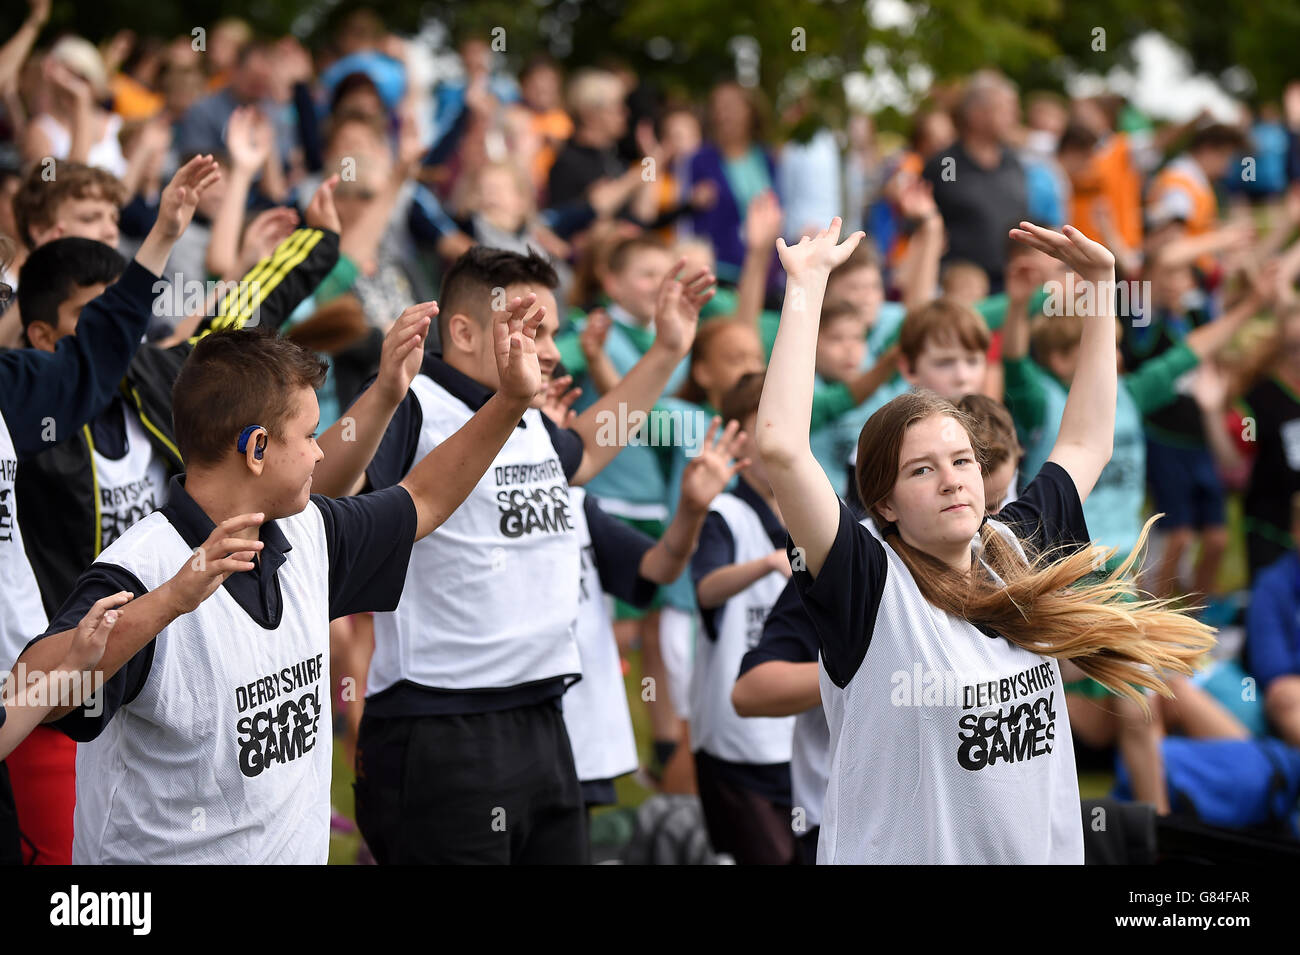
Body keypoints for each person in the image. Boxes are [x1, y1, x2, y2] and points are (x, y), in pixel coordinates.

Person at [12, 292, 553, 864]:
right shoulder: (140, 567)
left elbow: (424, 499)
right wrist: (170, 601)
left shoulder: (306, 531)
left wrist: (511, 399)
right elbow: (32, 694)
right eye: (311, 435)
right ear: (257, 448)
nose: (322, 454)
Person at [756, 218, 1214, 863]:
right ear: (882, 501)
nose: (952, 481)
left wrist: (1100, 286)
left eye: (963, 460)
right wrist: (805, 287)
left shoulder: (1015, 545)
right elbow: (780, 445)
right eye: (922, 469)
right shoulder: (865, 576)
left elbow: (1086, 441)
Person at [353, 246, 715, 864]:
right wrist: (383, 393)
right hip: (444, 726)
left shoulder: (524, 413)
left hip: (544, 714)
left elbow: (588, 450)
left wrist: (666, 350)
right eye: (531, 328)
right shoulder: (414, 404)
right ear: (462, 331)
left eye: (552, 330)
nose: (551, 350)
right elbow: (342, 493)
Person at [690, 373, 798, 864]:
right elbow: (706, 590)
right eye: (763, 429)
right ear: (737, 441)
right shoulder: (725, 515)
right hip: (737, 744)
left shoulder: (813, 515)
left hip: (798, 739)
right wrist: (764, 565)